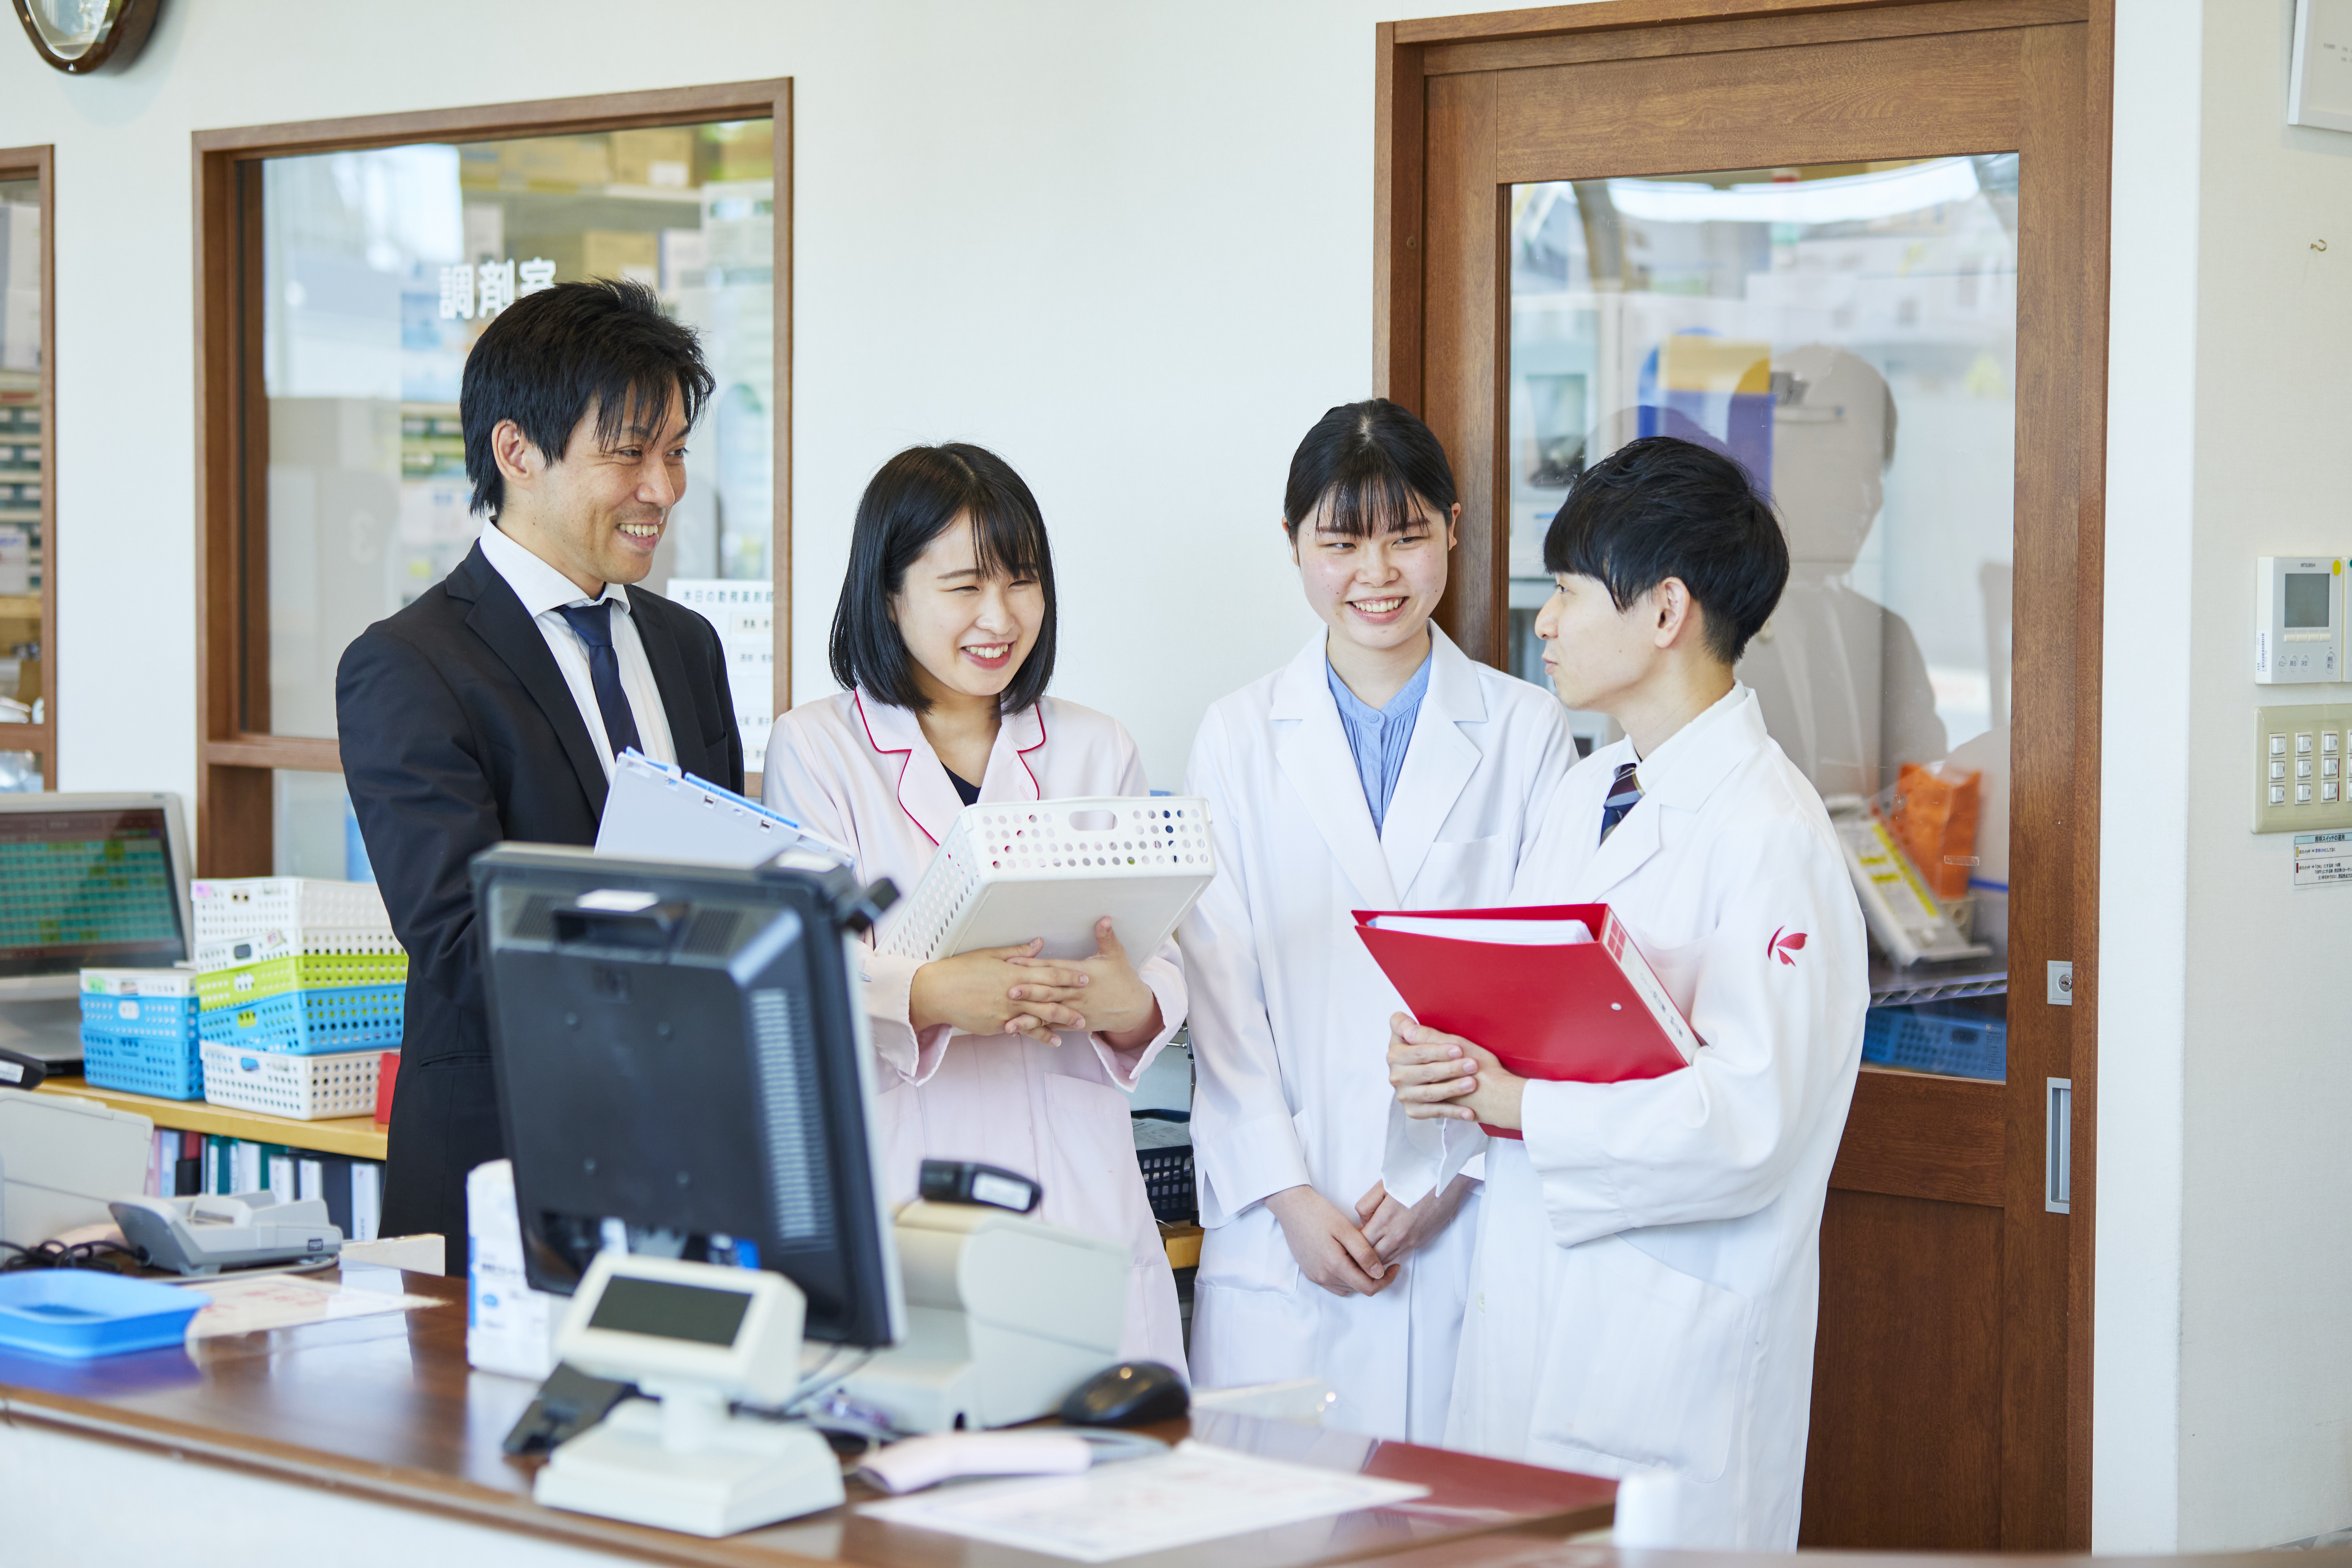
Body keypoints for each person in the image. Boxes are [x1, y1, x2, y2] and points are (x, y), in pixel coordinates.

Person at [1383, 435, 1867, 1548]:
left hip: (1668, 1352)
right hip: (1534, 1312)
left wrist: (1519, 1104)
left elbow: (1748, 1125)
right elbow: (1527, 1016)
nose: (1545, 622)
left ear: (1663, 611)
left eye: (1565, 590)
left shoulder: (1770, 834)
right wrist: (1447, 1062)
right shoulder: (1590, 787)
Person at [1181, 399, 1575, 1439]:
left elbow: (1540, 989)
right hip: (1285, 1229)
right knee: (1274, 1508)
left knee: (1454, 1510)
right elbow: (1221, 997)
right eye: (1342, 542)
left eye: (1406, 536)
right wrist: (1286, 1194)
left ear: (1452, 528)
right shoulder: (1235, 737)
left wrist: (1448, 1175)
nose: (1377, 572)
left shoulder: (1526, 731)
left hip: (1465, 1213)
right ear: (1293, 543)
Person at [338, 280, 740, 1272]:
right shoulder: (409, 664)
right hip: (507, 1170)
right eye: (630, 453)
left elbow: (730, 878)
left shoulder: (686, 646)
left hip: (689, 1161)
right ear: (517, 452)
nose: (663, 488)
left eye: (676, 452)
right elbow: (464, 940)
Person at [762, 443, 1186, 1367]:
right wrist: (935, 993)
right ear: (888, 594)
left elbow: (1155, 956)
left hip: (1076, 1197)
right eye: (964, 586)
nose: (1000, 617)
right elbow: (798, 965)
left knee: (1105, 1447)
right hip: (902, 1189)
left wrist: (1131, 1004)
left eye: (1021, 581)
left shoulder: (1095, 747)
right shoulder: (819, 749)